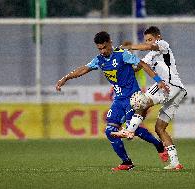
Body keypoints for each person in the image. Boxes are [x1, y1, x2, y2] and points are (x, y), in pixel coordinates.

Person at [55, 31, 170, 171]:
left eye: (104, 47)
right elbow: (84, 69)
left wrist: (158, 81)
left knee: (130, 128)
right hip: (118, 100)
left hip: (133, 98)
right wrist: (65, 78)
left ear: (110, 42)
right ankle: (127, 162)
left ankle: (158, 145)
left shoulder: (122, 54)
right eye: (99, 49)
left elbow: (143, 65)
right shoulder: (99, 60)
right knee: (110, 131)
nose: (102, 51)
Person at [114, 26, 187, 170]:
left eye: (150, 39)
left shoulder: (163, 45)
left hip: (168, 85)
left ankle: (129, 130)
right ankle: (175, 162)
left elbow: (149, 47)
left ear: (157, 37)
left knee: (140, 101)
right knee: (160, 128)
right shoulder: (148, 56)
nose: (148, 42)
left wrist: (127, 47)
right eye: (146, 40)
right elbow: (137, 67)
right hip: (178, 91)